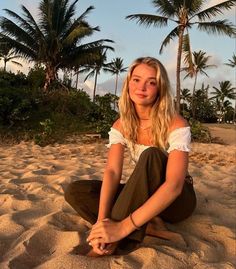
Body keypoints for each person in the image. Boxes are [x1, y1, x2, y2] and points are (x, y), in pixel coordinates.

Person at [64, 56, 196, 256]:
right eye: (136, 80)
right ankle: (149, 227)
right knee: (77, 191)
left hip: (176, 202)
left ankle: (117, 240)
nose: (142, 87)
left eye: (151, 82)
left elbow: (174, 186)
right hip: (145, 192)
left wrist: (122, 228)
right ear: (128, 84)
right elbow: (113, 171)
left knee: (152, 155)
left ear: (159, 88)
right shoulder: (121, 124)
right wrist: (101, 219)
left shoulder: (175, 123)